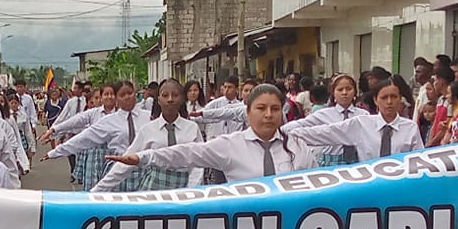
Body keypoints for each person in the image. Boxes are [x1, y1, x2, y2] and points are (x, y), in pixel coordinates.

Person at [105, 82, 319, 184]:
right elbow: (186, 153)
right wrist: (142, 157)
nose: (268, 115)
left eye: (275, 109)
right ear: (247, 112)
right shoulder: (230, 145)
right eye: (261, 108)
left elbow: (318, 183)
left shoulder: (296, 146)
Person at [89, 80, 202, 192]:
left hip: (184, 188)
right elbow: (126, 162)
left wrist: (191, 189)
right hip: (153, 189)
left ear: (182, 99)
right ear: (158, 100)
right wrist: (97, 190)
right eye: (165, 95)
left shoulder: (192, 128)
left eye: (175, 95)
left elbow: (199, 162)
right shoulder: (148, 130)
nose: (170, 99)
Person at [284, 76, 422, 158]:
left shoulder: (410, 128)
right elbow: (326, 132)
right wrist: (283, 133)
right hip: (367, 185)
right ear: (375, 100)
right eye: (384, 97)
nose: (389, 102)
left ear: (400, 99)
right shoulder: (362, 123)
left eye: (394, 97)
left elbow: (420, 160)